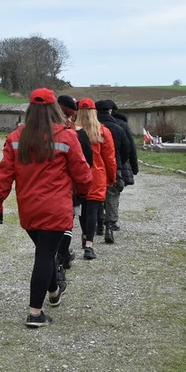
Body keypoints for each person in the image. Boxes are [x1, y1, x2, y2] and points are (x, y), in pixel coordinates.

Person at [0, 88, 92, 328]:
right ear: (55, 108)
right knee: (45, 256)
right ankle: (35, 313)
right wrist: (85, 193)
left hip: (29, 209)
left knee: (46, 254)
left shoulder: (17, 137)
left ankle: (54, 289)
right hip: (56, 208)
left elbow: (5, 172)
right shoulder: (67, 137)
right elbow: (82, 172)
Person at [55, 95, 93, 275]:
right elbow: (87, 162)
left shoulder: (40, 132)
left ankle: (58, 253)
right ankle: (62, 255)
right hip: (69, 187)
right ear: (71, 112)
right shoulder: (78, 133)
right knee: (67, 222)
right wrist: (83, 188)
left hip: (44, 187)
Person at [75, 98, 116, 260]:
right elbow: (110, 158)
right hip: (97, 176)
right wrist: (111, 177)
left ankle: (85, 235)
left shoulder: (72, 131)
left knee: (82, 211)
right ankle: (89, 245)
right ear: (94, 112)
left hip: (77, 176)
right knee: (92, 211)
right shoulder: (103, 132)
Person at [95, 100, 131, 243]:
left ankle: (98, 224)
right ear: (110, 111)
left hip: (95, 168)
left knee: (96, 197)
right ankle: (110, 225)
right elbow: (127, 148)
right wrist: (121, 163)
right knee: (112, 195)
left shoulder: (92, 128)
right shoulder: (119, 127)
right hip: (113, 166)